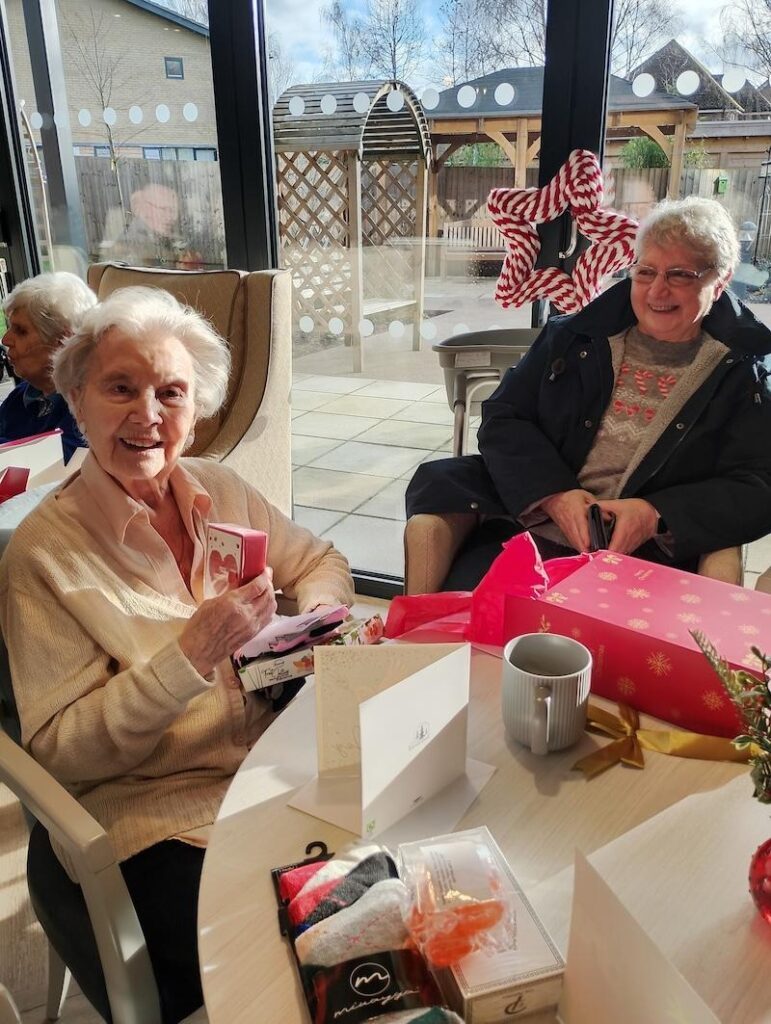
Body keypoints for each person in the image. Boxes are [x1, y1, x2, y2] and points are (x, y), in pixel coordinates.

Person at [0, 286, 354, 1022]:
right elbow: (59, 751)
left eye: (171, 392)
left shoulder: (220, 489)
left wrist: (315, 620)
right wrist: (188, 658)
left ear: (197, 409)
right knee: (296, 967)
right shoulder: (43, 556)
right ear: (76, 398)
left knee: (392, 903)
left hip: (274, 768)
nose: (148, 415)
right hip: (154, 818)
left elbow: (316, 558)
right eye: (120, 387)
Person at [406, 196, 771, 589]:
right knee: (464, 620)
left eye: (680, 274)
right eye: (645, 271)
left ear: (722, 279)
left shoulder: (746, 372)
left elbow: (758, 484)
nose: (656, 291)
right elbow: (503, 416)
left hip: (651, 556)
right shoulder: (574, 336)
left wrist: (655, 515)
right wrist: (554, 495)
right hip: (530, 526)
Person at [0, 271, 96, 462]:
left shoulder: (87, 406)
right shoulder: (22, 396)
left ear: (64, 341)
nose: (5, 339)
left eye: (20, 331)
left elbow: (49, 466)